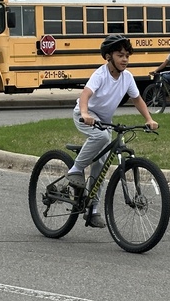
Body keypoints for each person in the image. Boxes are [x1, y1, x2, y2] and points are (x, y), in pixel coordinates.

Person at [65, 34, 159, 228]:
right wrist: (84, 112)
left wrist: (149, 119)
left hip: (104, 121)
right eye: (120, 55)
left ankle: (93, 210)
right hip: (85, 115)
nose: (124, 59)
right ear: (109, 56)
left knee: (102, 162)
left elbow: (138, 99)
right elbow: (85, 95)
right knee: (102, 136)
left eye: (127, 55)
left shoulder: (127, 77)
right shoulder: (100, 75)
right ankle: (75, 169)